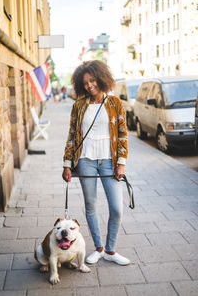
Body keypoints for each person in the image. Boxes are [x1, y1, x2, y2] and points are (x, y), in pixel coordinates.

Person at [62, 60, 130, 266]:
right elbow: (72, 135)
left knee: (116, 208)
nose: (90, 85)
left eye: (92, 81)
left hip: (109, 161)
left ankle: (111, 250)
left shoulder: (115, 103)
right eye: (85, 83)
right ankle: (99, 248)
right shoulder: (79, 106)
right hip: (85, 160)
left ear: (101, 79)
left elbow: (123, 134)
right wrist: (67, 164)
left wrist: (121, 163)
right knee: (90, 206)